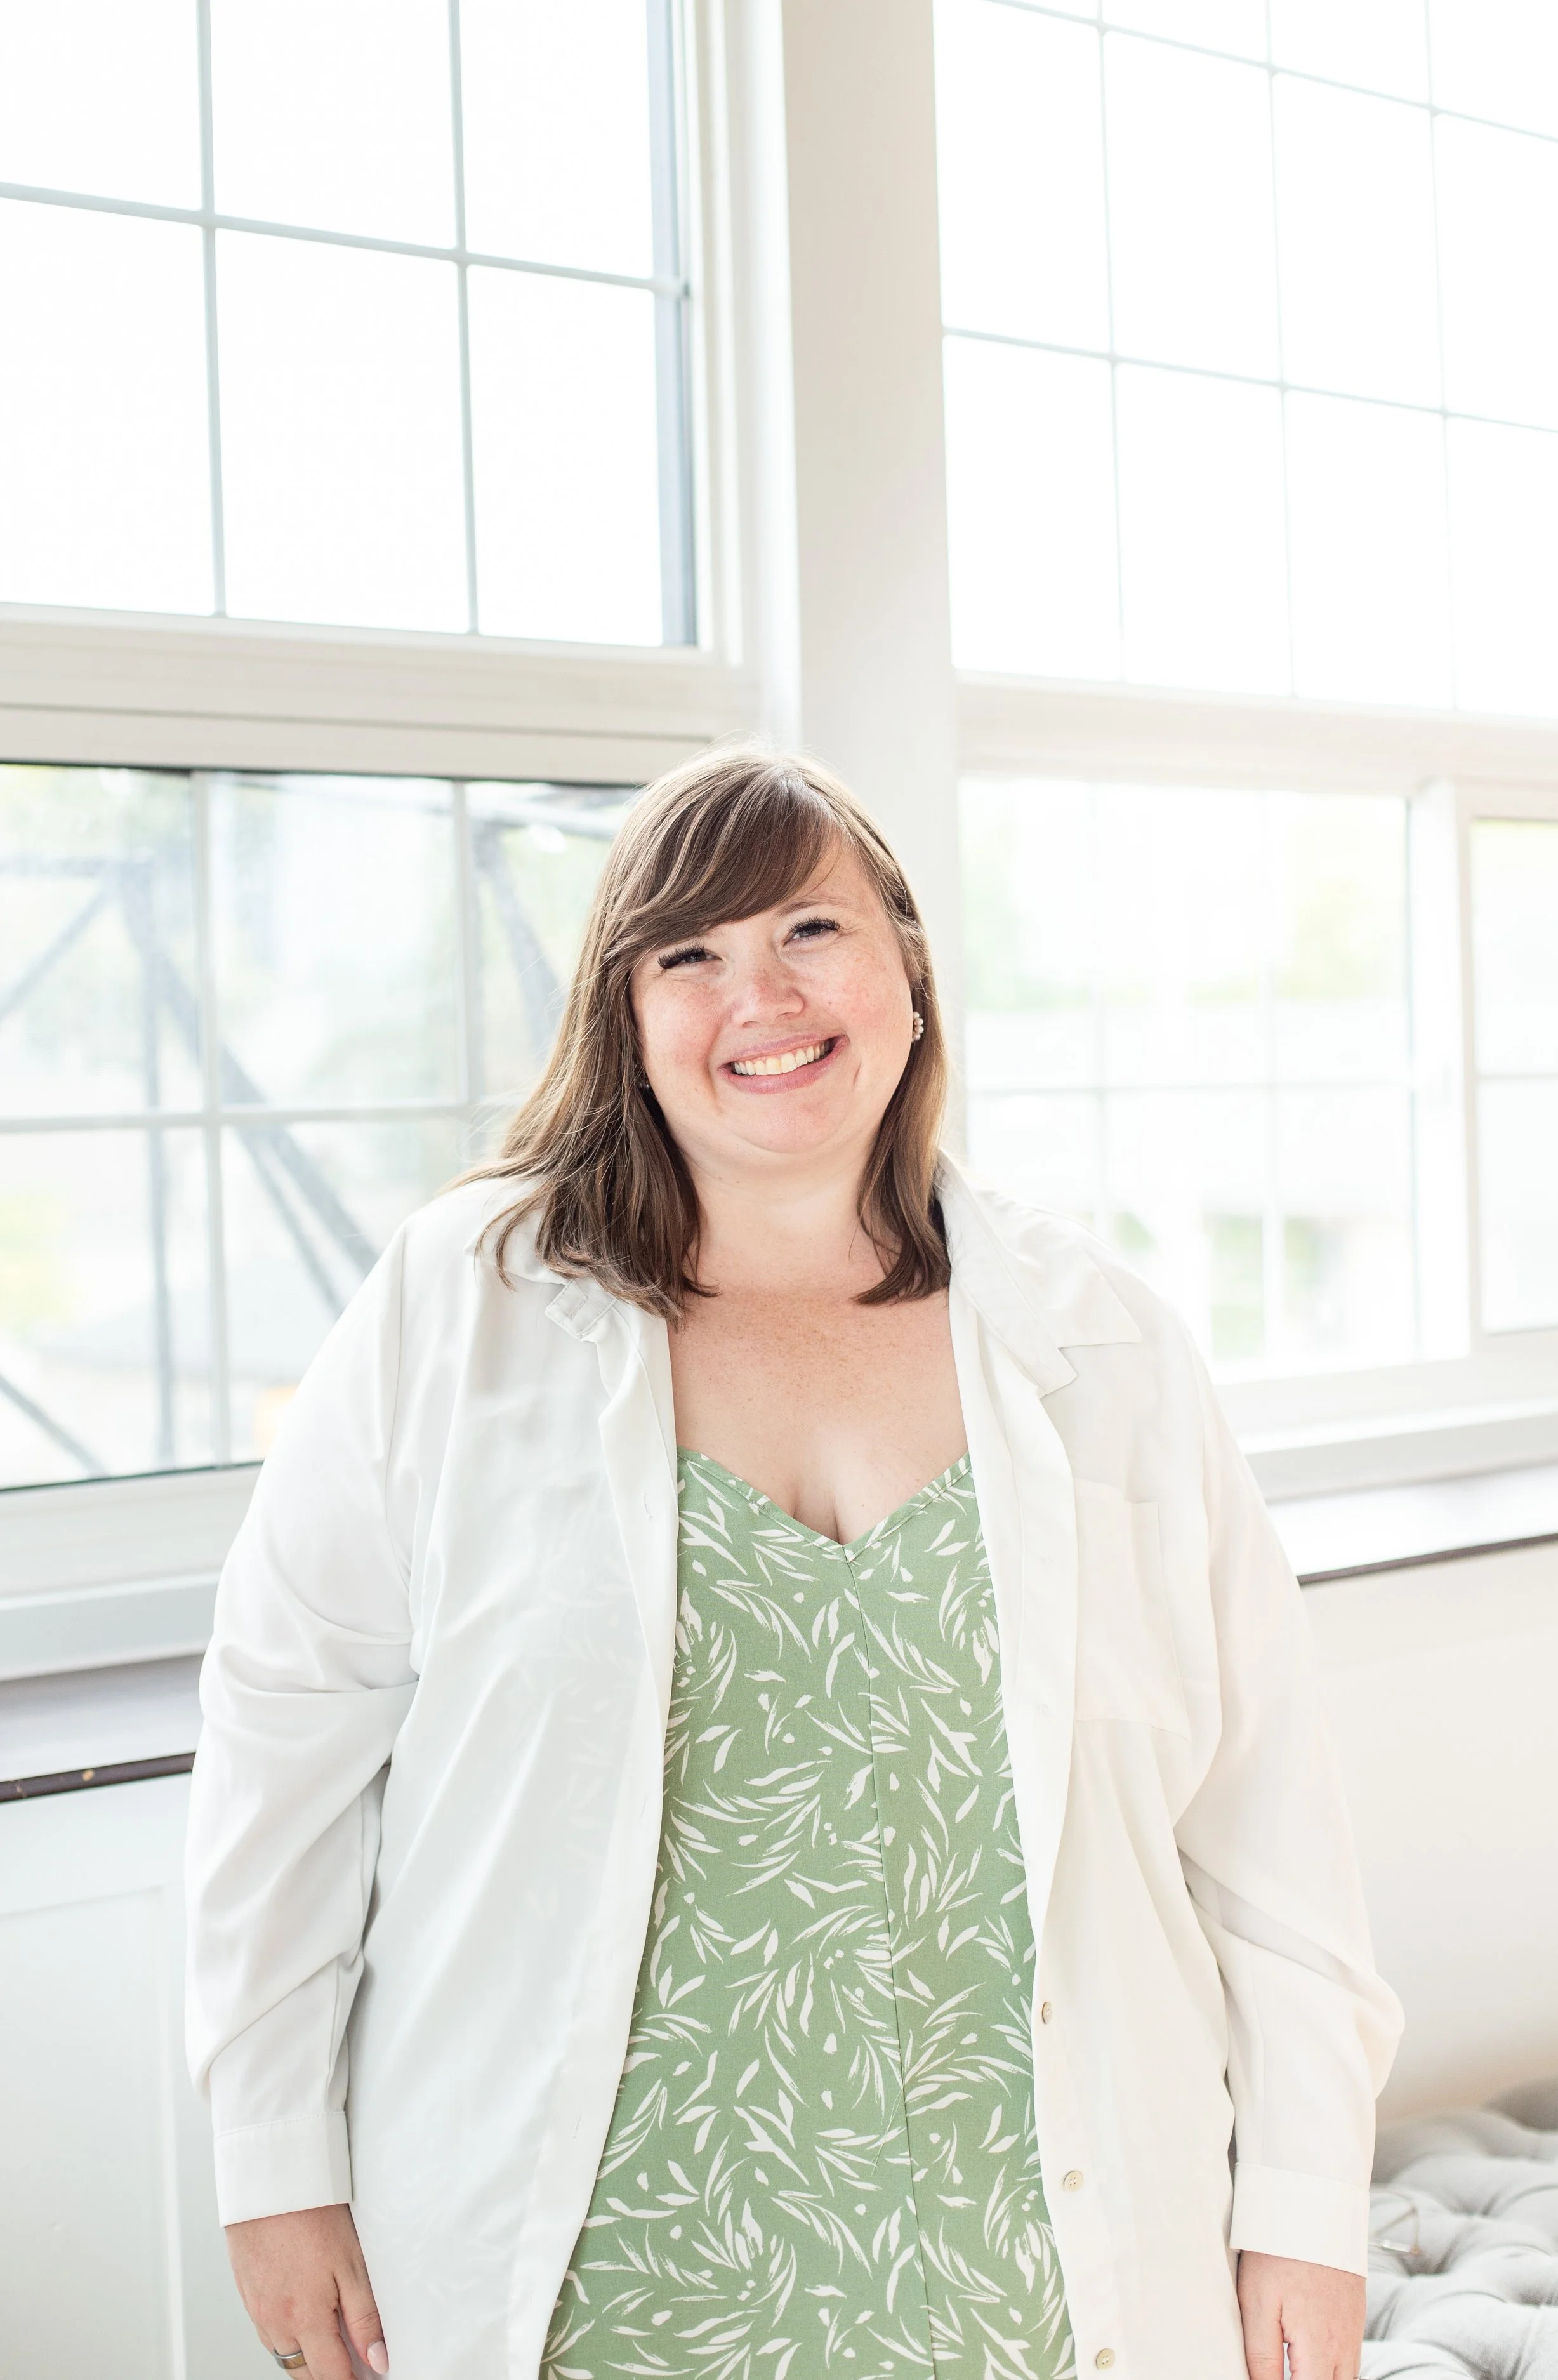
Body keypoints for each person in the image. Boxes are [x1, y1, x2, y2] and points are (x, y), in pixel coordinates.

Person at [187, 749, 1401, 2380]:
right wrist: (274, 2169)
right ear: (625, 1016)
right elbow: (285, 1741)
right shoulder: (459, 1306)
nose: (757, 993)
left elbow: (1268, 1823)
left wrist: (1308, 2211)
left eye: (808, 930)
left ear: (904, 967)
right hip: (590, 2284)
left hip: (1040, 2278)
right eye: (686, 953)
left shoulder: (1101, 1341)